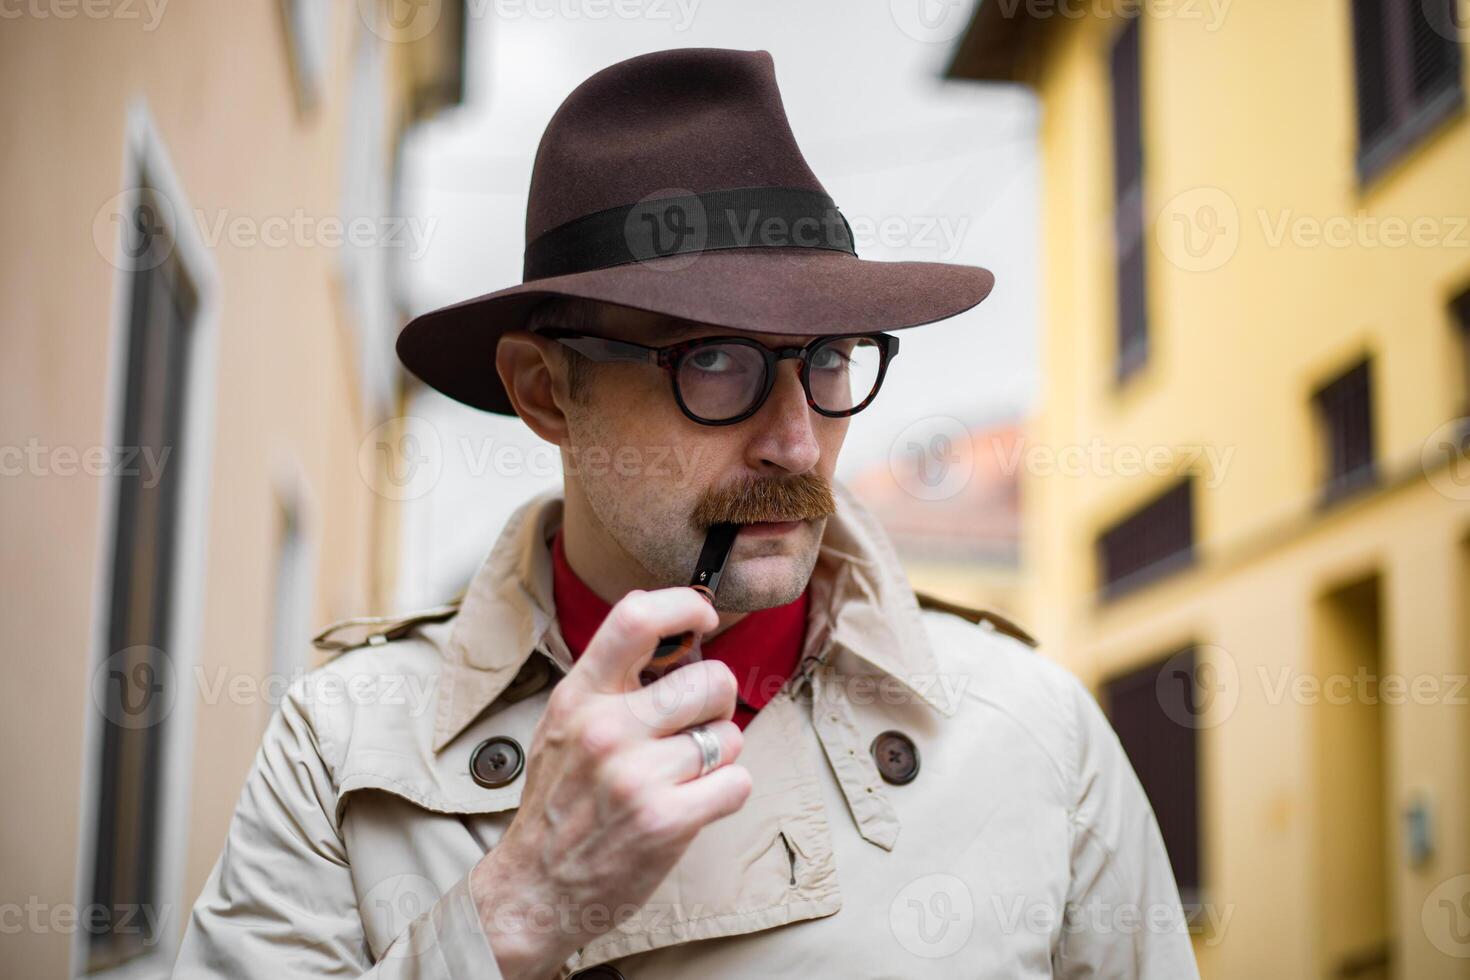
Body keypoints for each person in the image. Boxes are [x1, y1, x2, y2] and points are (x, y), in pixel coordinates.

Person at [173, 47, 1200, 979]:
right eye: (714, 361)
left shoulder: (1032, 734)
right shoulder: (343, 746)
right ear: (544, 389)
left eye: (831, 357)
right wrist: (518, 910)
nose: (796, 442)